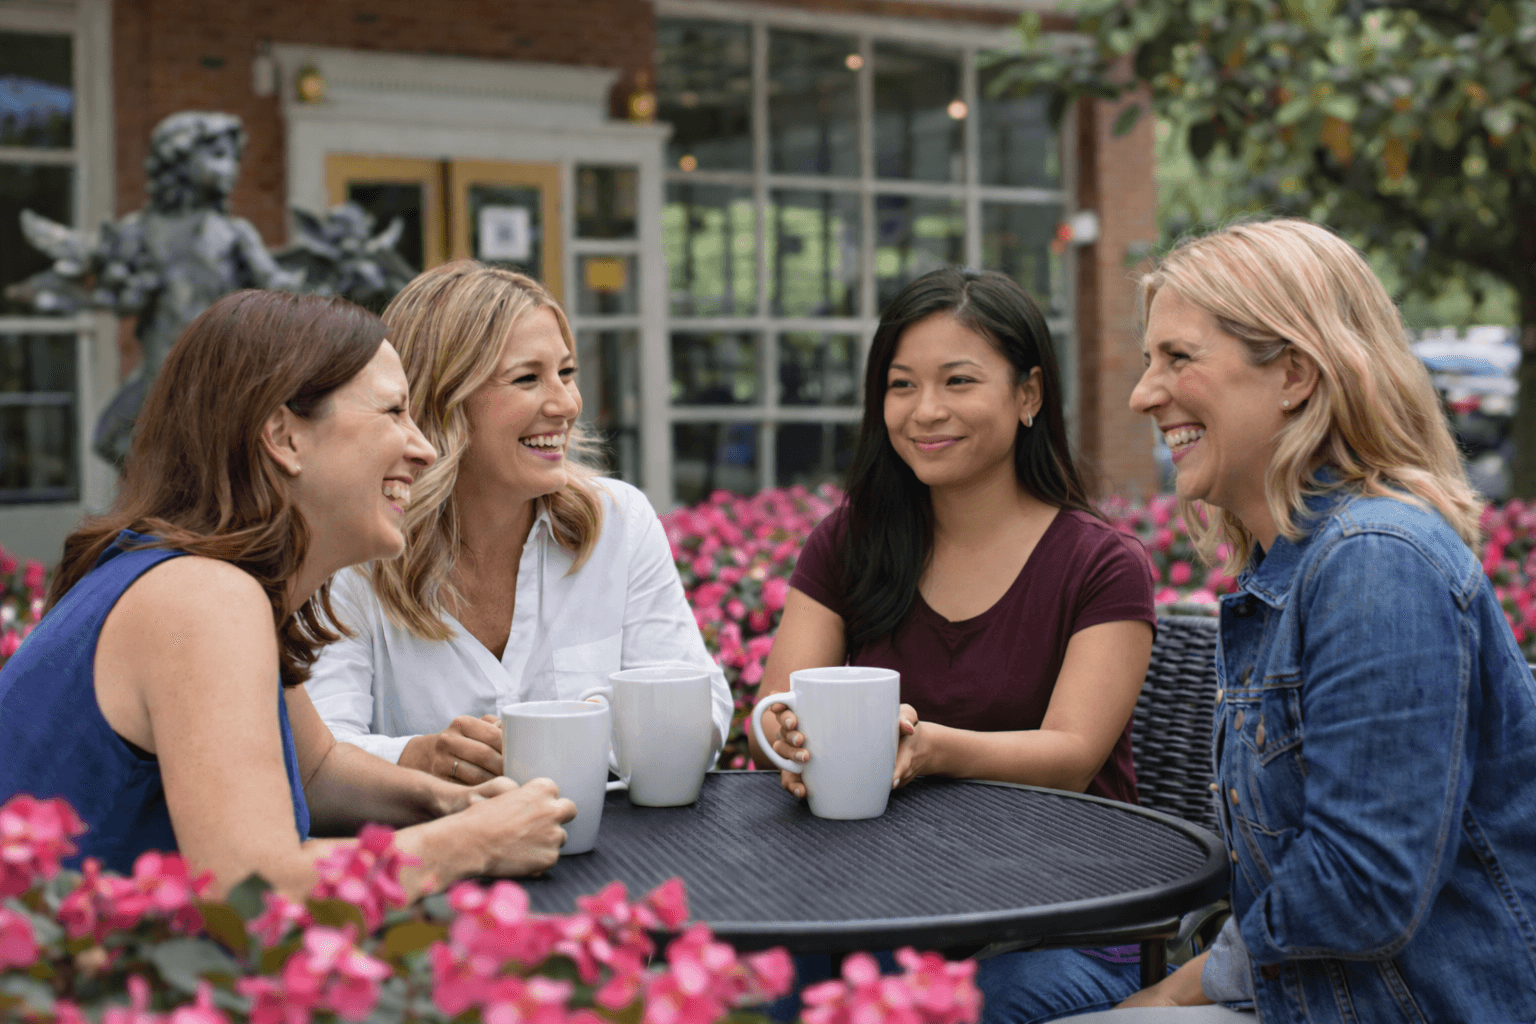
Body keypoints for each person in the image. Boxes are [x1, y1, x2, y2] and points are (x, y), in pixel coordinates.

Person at [1080, 217, 1536, 1021]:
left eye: (1179, 358)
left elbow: (1364, 884)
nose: (1143, 393)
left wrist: (1177, 989)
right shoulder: (1292, 564)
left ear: (1293, 373)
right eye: (1150, 360)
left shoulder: (1377, 561)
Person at [0, 290, 576, 898]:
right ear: (283, 435)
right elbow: (251, 889)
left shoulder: (201, 574)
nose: (424, 447)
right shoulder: (202, 598)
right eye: (392, 412)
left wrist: (451, 799)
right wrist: (474, 843)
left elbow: (318, 771)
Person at [746, 267, 1157, 1021]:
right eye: (901, 385)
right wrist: (794, 743)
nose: (924, 411)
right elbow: (779, 703)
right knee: (752, 981)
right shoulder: (850, 541)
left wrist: (931, 748)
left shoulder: (1101, 564)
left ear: (1028, 394)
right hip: (881, 909)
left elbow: (1071, 756)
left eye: (958, 381)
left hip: (1060, 923)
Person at [306, 262, 732, 782]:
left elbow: (702, 709)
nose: (567, 403)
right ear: (442, 400)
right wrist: (421, 758)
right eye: (528, 378)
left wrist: (559, 740)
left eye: (567, 373)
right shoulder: (352, 552)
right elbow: (317, 755)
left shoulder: (619, 521)